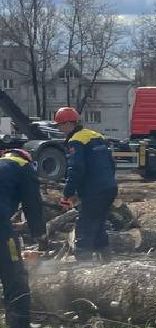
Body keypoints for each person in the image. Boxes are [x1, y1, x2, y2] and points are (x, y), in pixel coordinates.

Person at [57, 106, 117, 262]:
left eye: (60, 125)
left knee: (84, 227)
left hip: (94, 191)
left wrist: (67, 193)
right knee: (98, 224)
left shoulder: (76, 141)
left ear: (68, 124)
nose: (60, 129)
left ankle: (84, 267)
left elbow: (76, 169)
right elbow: (111, 164)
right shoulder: (96, 136)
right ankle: (106, 262)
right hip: (109, 188)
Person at [0, 148, 46, 328]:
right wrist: (40, 234)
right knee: (14, 273)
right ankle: (20, 326)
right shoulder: (23, 166)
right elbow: (32, 203)